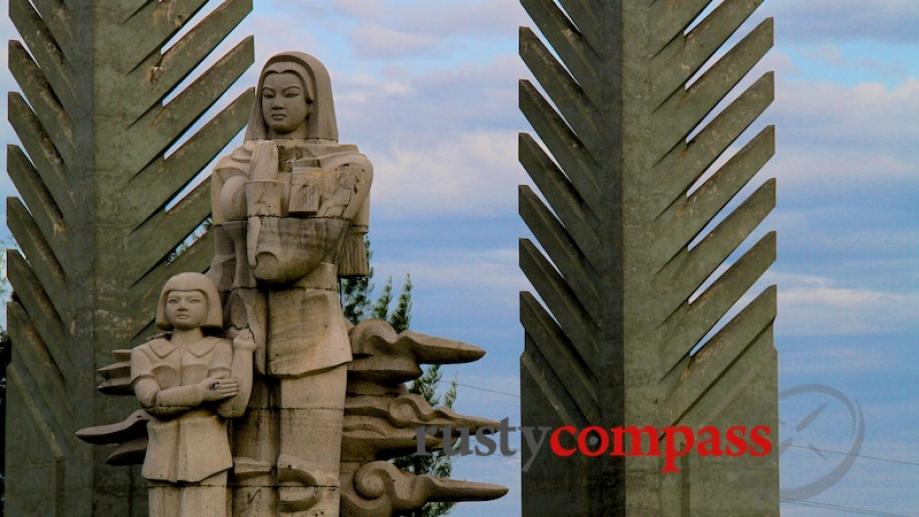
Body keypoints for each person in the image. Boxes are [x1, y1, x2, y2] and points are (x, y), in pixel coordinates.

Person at [207, 52, 373, 516]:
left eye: (289, 94)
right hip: (243, 336)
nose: (276, 104)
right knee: (246, 475)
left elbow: (279, 262)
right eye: (267, 94)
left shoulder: (349, 167)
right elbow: (222, 264)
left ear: (312, 100)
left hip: (315, 340)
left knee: (310, 480)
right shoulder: (230, 166)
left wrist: (262, 183)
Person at [130, 272, 256, 517]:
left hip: (208, 458)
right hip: (161, 459)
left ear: (209, 306)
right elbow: (152, 401)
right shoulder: (144, 352)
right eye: (174, 300)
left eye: (193, 300)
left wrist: (242, 353)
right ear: (163, 307)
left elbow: (231, 407)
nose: (182, 306)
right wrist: (200, 393)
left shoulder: (221, 349)